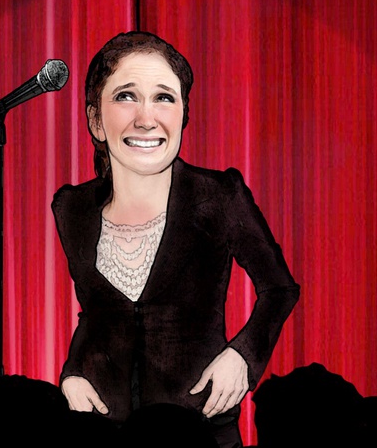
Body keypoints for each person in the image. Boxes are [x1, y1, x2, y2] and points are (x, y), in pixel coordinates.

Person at [51, 30, 300, 448]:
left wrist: (242, 357)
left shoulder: (219, 196)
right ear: (95, 119)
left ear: (184, 113)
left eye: (164, 98)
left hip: (201, 432)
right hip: (100, 435)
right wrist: (72, 375)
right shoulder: (71, 208)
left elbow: (279, 289)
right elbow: (94, 313)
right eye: (126, 96)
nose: (146, 119)